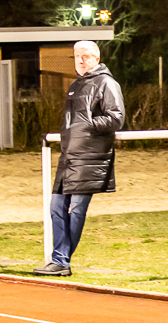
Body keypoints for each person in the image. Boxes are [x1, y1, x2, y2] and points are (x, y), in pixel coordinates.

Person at [34, 40, 125, 276]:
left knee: (76, 210)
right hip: (68, 158)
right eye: (76, 56)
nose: (81, 60)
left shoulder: (107, 83)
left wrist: (87, 124)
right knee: (56, 207)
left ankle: (61, 260)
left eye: (85, 56)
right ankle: (60, 260)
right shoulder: (74, 85)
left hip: (90, 158)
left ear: (97, 58)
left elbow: (116, 118)